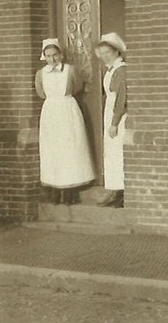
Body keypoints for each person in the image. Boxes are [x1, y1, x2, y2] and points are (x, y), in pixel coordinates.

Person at [35, 38, 95, 205]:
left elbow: (76, 87)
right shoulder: (41, 74)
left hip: (68, 109)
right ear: (44, 57)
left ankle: (70, 192)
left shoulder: (70, 70)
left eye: (55, 55)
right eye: (48, 56)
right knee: (53, 150)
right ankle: (55, 190)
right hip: (50, 113)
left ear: (60, 55)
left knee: (70, 148)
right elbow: (40, 93)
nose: (52, 59)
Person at [95, 33, 127, 208]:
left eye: (108, 52)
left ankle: (121, 191)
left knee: (118, 152)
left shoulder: (121, 70)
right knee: (112, 153)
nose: (105, 56)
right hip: (110, 112)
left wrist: (114, 123)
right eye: (102, 53)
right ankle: (115, 190)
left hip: (118, 115)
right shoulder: (110, 70)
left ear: (116, 51)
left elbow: (122, 99)